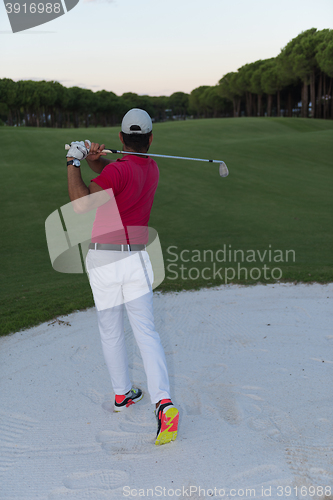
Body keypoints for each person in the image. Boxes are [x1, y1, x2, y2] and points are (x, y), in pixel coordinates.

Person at [66, 108, 179, 446]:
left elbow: (82, 204)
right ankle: (163, 402)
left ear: (120, 138)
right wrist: (94, 159)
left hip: (103, 259)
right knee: (146, 331)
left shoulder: (118, 172)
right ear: (150, 138)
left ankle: (122, 395)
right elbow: (115, 173)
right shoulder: (151, 167)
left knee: (110, 328)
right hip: (136, 261)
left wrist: (74, 161)